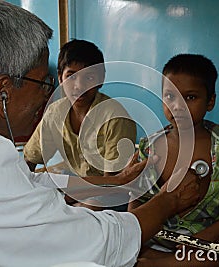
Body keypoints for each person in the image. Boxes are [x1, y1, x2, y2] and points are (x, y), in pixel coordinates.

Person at [0, 1, 200, 266]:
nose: (46, 93)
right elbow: (96, 244)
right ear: (2, 92)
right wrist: (169, 201)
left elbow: (33, 182)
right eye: (43, 82)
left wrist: (117, 180)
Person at [129, 54, 219, 266]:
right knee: (120, 240)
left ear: (210, 101)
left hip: (201, 240)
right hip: (156, 236)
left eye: (190, 97)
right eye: (170, 96)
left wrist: (205, 237)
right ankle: (170, 262)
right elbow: (136, 197)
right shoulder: (150, 147)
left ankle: (159, 263)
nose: (177, 106)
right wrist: (133, 235)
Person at [24, 39, 136, 210]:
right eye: (71, 76)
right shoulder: (55, 113)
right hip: (78, 187)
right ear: (60, 77)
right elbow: (29, 161)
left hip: (112, 194)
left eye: (89, 77)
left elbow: (112, 183)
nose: (79, 86)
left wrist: (69, 201)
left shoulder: (115, 118)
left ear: (101, 79)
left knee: (85, 210)